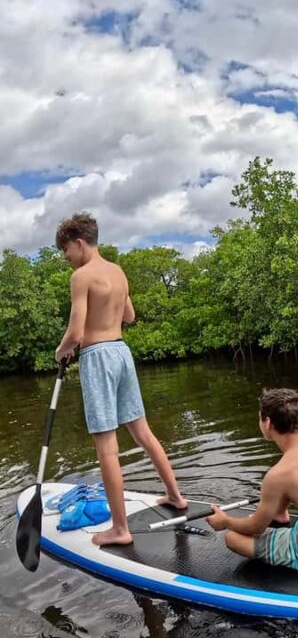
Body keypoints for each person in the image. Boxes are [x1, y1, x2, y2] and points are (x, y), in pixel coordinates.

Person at [54, 212, 187, 546]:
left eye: (66, 250)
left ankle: (120, 529)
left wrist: (61, 350)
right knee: (143, 432)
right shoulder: (118, 271)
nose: (66, 258)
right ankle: (176, 497)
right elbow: (129, 315)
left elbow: (75, 330)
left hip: (98, 357)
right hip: (122, 352)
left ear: (79, 243)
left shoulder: (82, 276)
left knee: (107, 448)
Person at [206, 388, 298, 570]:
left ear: (268, 423)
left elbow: (256, 527)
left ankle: (284, 534)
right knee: (288, 495)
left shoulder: (279, 474)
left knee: (232, 538)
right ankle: (278, 514)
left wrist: (225, 521)